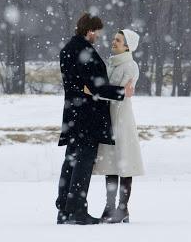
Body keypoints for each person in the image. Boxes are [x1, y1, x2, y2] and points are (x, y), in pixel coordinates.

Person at [56, 13, 134, 225]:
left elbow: (79, 85)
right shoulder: (86, 52)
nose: (98, 36)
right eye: (97, 32)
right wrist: (121, 93)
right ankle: (78, 211)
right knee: (83, 163)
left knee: (70, 161)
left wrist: (85, 90)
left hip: (72, 113)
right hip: (87, 117)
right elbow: (96, 86)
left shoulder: (67, 49)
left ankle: (63, 208)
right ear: (90, 31)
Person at [92, 29, 144, 223]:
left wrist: (95, 91)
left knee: (125, 163)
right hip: (110, 119)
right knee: (111, 164)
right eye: (114, 39)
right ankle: (109, 207)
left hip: (122, 119)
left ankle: (123, 209)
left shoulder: (130, 66)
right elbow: (112, 90)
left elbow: (119, 92)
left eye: (118, 40)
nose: (113, 42)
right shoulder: (112, 64)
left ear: (127, 46)